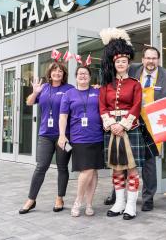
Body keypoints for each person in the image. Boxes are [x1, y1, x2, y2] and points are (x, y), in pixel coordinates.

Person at [104, 46, 166, 212]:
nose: (150, 61)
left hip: (152, 125)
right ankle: (117, 196)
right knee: (123, 159)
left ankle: (148, 198)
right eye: (148, 58)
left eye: (154, 58)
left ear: (158, 60)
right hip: (130, 122)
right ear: (142, 60)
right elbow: (114, 71)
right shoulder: (132, 68)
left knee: (149, 163)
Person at [99, 28, 143, 220]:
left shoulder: (135, 84)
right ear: (114, 63)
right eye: (118, 62)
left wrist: (123, 125)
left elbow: (136, 106)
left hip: (129, 128)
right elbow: (102, 106)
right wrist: (110, 124)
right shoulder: (106, 86)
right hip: (111, 129)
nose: (121, 64)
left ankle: (131, 205)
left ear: (128, 63)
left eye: (124, 61)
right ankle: (119, 203)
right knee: (117, 168)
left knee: (132, 169)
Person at [19, 61, 73, 214]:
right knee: (41, 167)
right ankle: (31, 199)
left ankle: (59, 198)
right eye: (54, 71)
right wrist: (35, 92)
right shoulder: (43, 88)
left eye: (60, 71)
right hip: (45, 135)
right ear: (49, 73)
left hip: (64, 136)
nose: (57, 73)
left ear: (64, 74)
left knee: (62, 167)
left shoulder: (69, 89)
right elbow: (29, 102)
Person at [58, 65, 104, 217]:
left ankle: (89, 203)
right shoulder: (69, 94)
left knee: (94, 171)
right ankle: (78, 201)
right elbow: (63, 116)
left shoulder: (97, 92)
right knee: (87, 170)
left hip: (97, 137)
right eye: (80, 73)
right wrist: (62, 135)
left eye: (86, 73)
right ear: (76, 77)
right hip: (79, 138)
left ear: (90, 77)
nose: (83, 76)